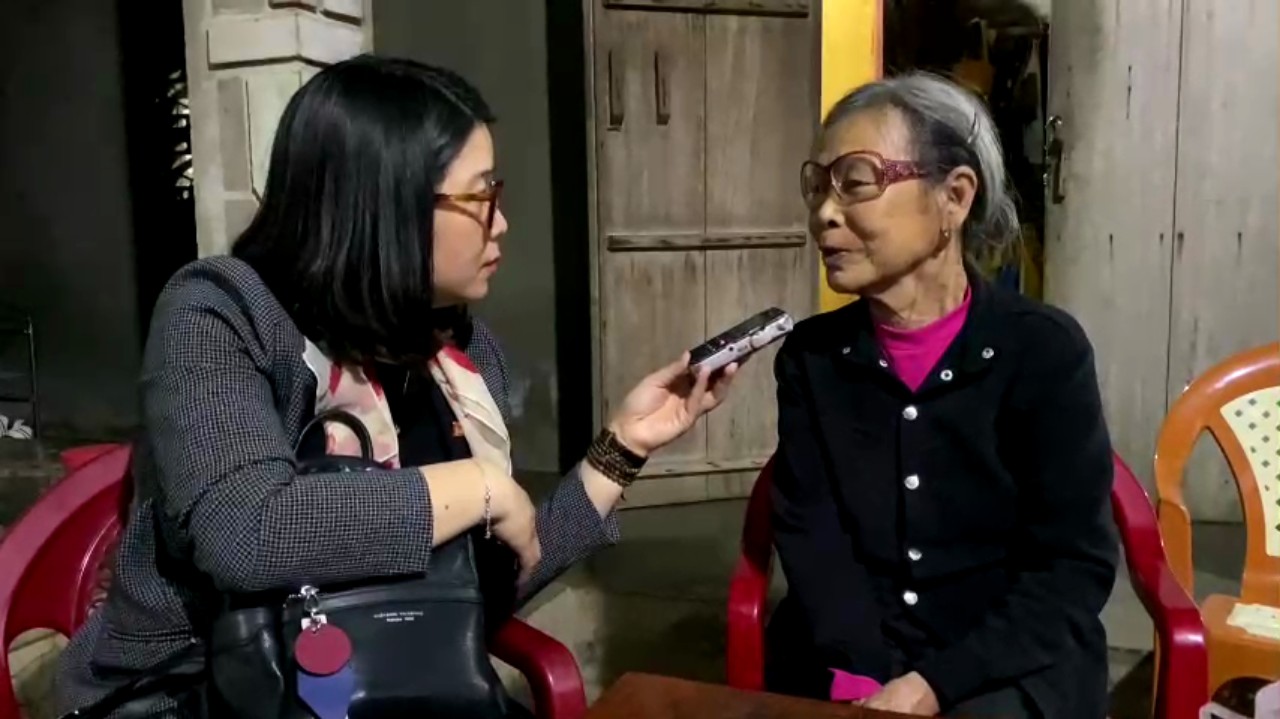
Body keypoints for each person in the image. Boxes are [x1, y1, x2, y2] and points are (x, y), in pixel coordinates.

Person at [55, 55, 737, 717]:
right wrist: (479, 486)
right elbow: (246, 530)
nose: (502, 222)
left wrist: (623, 446)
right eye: (482, 195)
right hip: (196, 694)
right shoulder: (218, 313)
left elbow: (483, 585)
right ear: (387, 205)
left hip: (374, 680)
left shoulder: (454, 354)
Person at [766, 71, 1117, 718]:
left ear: (954, 197)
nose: (824, 213)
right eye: (818, 185)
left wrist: (931, 685)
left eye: (856, 181)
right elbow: (812, 537)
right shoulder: (811, 360)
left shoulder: (1044, 352)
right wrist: (861, 681)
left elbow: (1071, 567)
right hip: (848, 654)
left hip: (1007, 661)